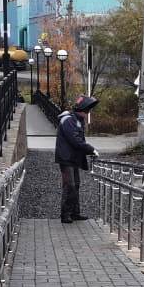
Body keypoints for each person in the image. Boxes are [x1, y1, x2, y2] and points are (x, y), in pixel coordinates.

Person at [54, 94, 99, 223]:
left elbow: (78, 141)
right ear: (82, 110)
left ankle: (74, 213)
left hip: (72, 158)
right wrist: (91, 149)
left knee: (76, 185)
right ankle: (65, 214)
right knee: (70, 186)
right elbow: (75, 140)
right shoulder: (69, 120)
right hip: (66, 158)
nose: (87, 114)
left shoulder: (76, 120)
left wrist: (87, 150)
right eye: (87, 111)